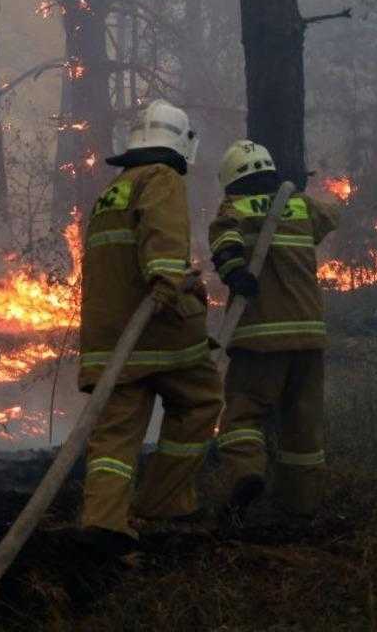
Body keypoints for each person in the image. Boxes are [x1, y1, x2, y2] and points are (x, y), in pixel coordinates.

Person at [77, 99, 222, 553]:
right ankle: (164, 501)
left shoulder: (114, 190)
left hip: (109, 335)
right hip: (156, 327)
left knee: (116, 433)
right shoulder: (161, 177)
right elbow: (162, 242)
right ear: (182, 143)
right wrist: (168, 283)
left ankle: (103, 523)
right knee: (200, 399)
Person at [208, 140, 339, 528]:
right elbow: (331, 216)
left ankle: (246, 473)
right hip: (309, 335)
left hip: (260, 336)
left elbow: (224, 244)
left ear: (231, 179)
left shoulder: (234, 207)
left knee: (243, 412)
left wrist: (234, 273)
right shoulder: (299, 204)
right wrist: (297, 189)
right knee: (303, 421)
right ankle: (300, 505)